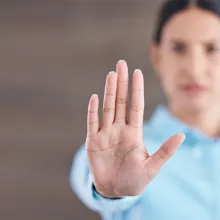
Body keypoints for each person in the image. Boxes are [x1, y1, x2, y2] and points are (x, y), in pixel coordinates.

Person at [69, 0, 220, 219]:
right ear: (157, 56)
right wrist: (112, 191)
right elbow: (88, 173)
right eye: (178, 48)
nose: (195, 69)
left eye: (212, 48)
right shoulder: (123, 151)